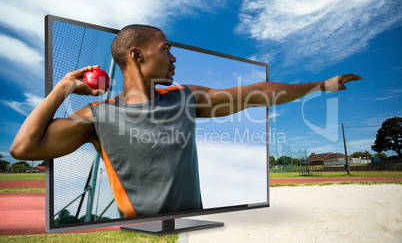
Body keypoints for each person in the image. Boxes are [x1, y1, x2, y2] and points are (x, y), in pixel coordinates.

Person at [10, 24, 362, 217]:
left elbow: (258, 91)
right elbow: (23, 147)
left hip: (192, 227)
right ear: (136, 55)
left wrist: (321, 86)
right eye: (164, 48)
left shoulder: (184, 97)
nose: (173, 56)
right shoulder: (97, 117)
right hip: (140, 231)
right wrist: (63, 88)